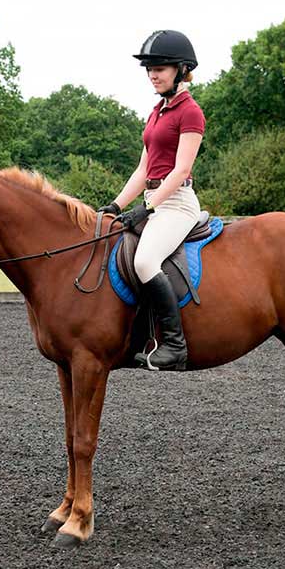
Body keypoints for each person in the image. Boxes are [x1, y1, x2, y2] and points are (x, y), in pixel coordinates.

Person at [98, 30, 205, 372]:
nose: (152, 75)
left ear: (181, 69)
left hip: (177, 203)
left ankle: (174, 345)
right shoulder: (157, 111)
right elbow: (144, 169)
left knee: (145, 262)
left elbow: (181, 169)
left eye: (159, 68)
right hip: (155, 201)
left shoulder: (190, 112)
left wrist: (148, 207)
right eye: (149, 69)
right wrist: (116, 205)